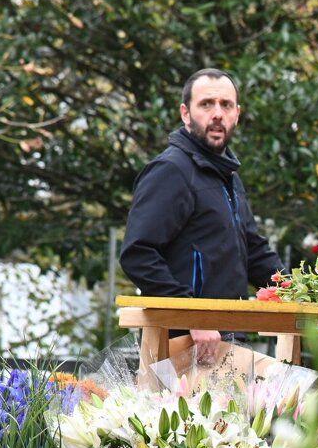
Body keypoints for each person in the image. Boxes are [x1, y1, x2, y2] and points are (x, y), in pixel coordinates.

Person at [121, 68, 284, 363]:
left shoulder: (228, 177)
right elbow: (138, 254)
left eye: (226, 105)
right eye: (206, 104)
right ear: (186, 113)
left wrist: (299, 291)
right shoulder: (171, 171)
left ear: (237, 113)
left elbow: (254, 253)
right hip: (178, 343)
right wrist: (192, 315)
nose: (217, 113)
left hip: (227, 337)